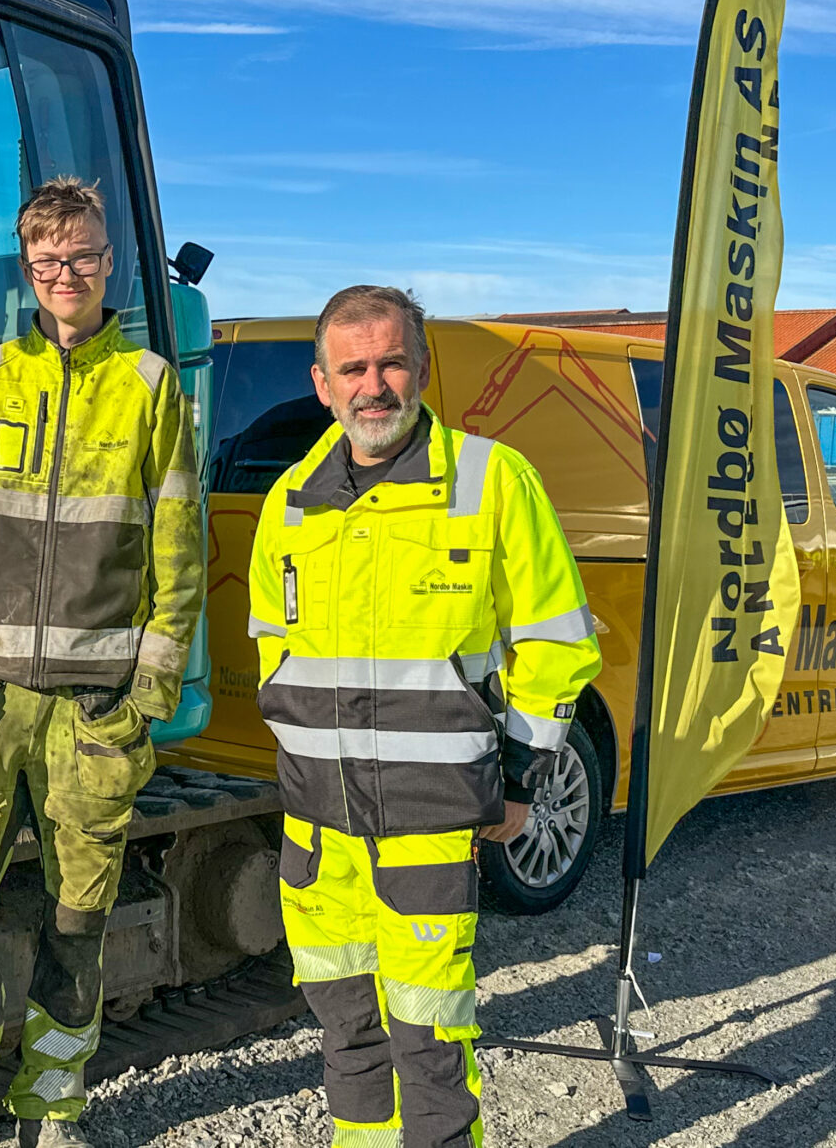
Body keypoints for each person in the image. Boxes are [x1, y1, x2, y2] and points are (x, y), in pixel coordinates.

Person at [248, 286, 602, 1147]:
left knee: (430, 1038)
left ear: (422, 368)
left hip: (428, 824)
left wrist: (521, 779)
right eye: (353, 368)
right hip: (317, 831)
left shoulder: (491, 480)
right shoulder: (291, 500)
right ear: (322, 383)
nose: (375, 385)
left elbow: (557, 643)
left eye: (391, 362)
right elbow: (272, 648)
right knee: (346, 1032)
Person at [0, 177, 203, 1148]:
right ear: (28, 271)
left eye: (80, 258)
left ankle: (53, 1105)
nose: (65, 275)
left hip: (92, 709)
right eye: (47, 262)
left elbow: (177, 550)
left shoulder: (150, 386)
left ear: (107, 262)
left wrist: (146, 692)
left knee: (79, 917)